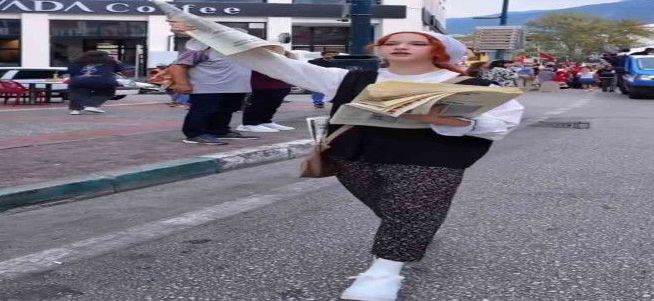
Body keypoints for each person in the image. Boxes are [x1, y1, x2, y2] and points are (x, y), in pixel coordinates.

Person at [170, 21, 524, 300]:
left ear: (439, 50)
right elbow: (273, 63)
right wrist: (205, 33)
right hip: (354, 157)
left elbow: (502, 123)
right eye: (391, 41)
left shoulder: (472, 84)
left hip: (432, 160)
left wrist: (453, 122)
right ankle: (416, 228)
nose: (401, 46)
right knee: (400, 211)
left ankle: (384, 272)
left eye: (416, 42)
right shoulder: (351, 78)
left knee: (412, 206)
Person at [172, 39, 260, 145]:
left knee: (226, 110)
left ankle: (219, 131)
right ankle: (195, 134)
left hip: (235, 87)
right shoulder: (201, 48)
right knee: (203, 110)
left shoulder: (240, 51)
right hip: (207, 87)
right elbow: (178, 66)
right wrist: (182, 83)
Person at [237, 53, 295, 133]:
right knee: (260, 103)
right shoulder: (260, 56)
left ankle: (265, 120)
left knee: (273, 103)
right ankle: (249, 123)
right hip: (264, 83)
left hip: (280, 83)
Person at [66, 51, 124, 115]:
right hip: (103, 81)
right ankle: (92, 105)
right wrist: (117, 62)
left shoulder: (77, 62)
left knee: (77, 93)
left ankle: (75, 109)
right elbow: (120, 69)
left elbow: (71, 71)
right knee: (108, 91)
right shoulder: (110, 62)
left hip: (80, 81)